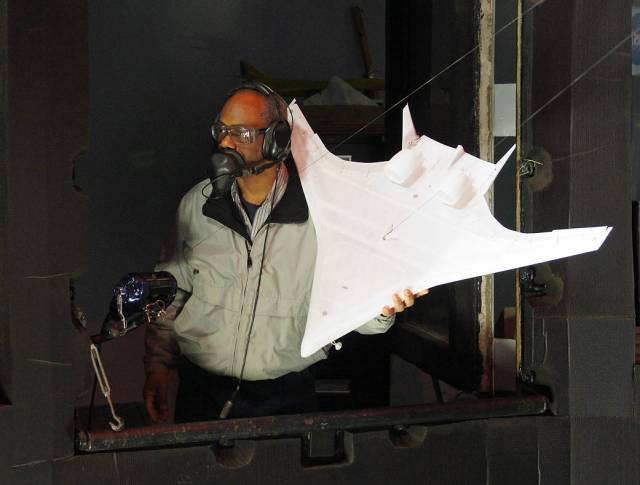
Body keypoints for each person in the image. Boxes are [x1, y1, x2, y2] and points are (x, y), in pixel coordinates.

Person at [143, 82, 427, 423]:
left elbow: (360, 315)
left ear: (277, 140)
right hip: (201, 390)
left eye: (242, 133)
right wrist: (157, 368)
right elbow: (169, 293)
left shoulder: (324, 215)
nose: (225, 143)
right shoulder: (197, 205)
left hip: (286, 398)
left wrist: (384, 305)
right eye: (221, 130)